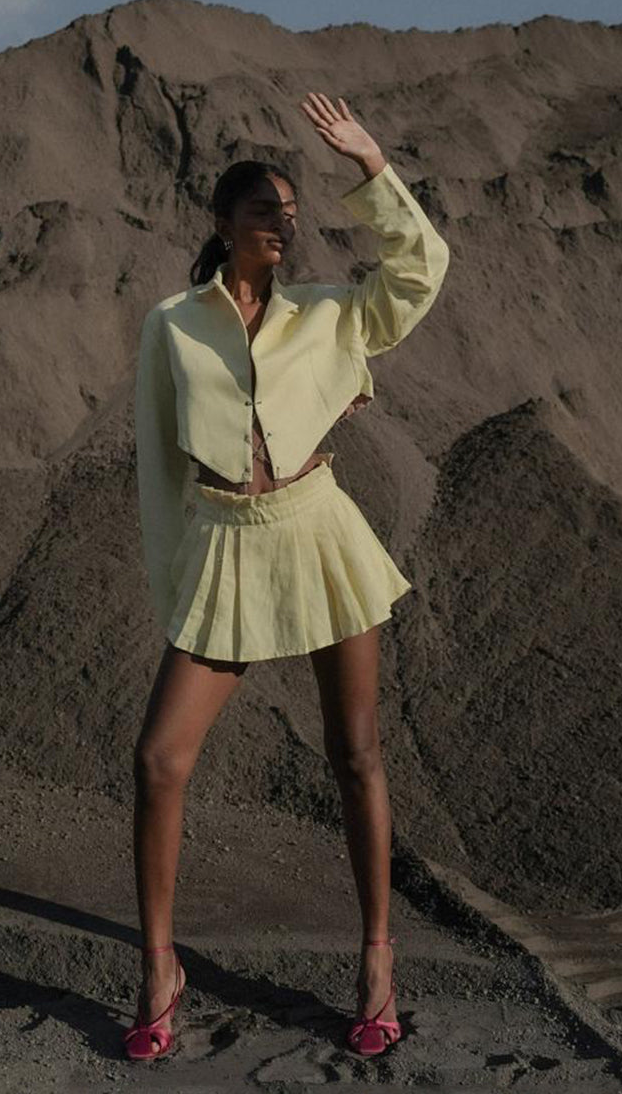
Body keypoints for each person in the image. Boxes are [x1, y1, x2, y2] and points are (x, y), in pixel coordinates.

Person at [126, 92, 450, 1061]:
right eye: (264, 210)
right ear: (223, 224)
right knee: (157, 761)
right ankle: (158, 967)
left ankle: (378, 961)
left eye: (292, 214)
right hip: (224, 543)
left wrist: (371, 166)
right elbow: (157, 464)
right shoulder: (173, 326)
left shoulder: (329, 316)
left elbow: (422, 272)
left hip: (316, 532)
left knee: (356, 757)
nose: (282, 224)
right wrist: (176, 577)